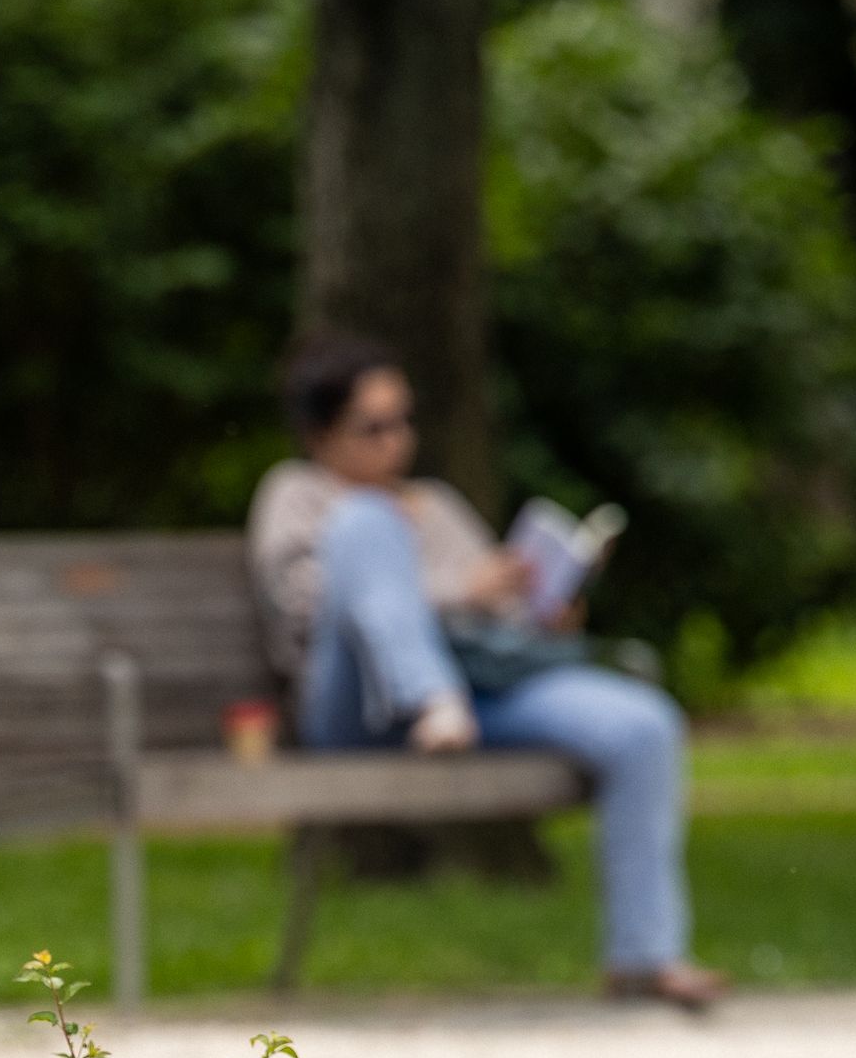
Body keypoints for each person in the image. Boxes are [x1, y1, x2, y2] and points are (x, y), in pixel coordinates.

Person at [248, 332, 723, 1008]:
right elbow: (308, 604)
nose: (396, 441)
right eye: (373, 427)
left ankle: (644, 959)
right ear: (319, 434)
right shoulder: (299, 496)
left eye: (403, 421)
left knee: (644, 724)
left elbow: (495, 619)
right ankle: (429, 695)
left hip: (473, 696)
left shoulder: (435, 504)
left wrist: (541, 608)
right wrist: (457, 594)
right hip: (354, 701)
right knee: (365, 521)